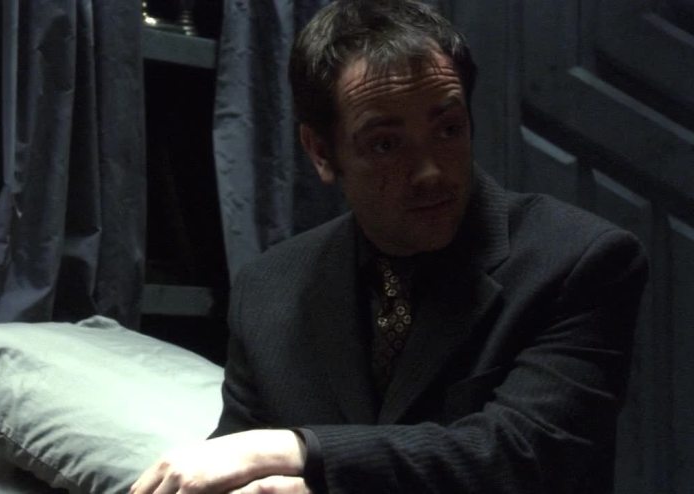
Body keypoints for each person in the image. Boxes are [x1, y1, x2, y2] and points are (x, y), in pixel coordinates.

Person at [131, 1, 648, 492]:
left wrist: (298, 449)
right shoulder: (268, 288)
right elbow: (232, 463)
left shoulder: (580, 260)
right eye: (385, 144)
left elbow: (519, 457)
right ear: (321, 152)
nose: (430, 172)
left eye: (448, 129)